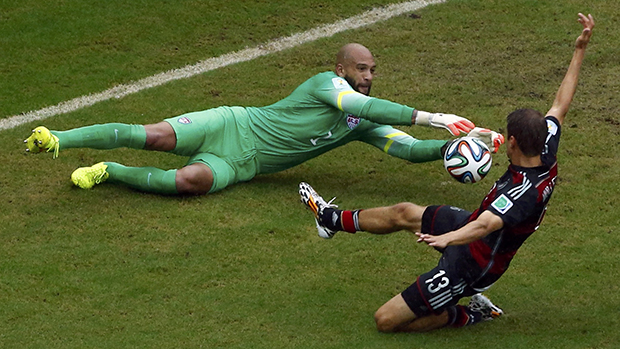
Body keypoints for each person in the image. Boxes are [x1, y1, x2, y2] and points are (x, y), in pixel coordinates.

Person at [298, 14, 594, 332]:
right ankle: (329, 220)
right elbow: (560, 105)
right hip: (470, 230)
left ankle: (472, 312)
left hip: (474, 263)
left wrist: (447, 238)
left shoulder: (522, 194)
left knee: (386, 321)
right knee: (404, 213)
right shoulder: (545, 148)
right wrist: (579, 50)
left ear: (513, 143)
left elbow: (485, 225)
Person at [24, 43, 503, 196]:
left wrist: (457, 147)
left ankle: (110, 172)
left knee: (189, 182)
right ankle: (58, 138)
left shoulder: (365, 124)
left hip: (246, 164)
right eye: (361, 68)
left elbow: (405, 149)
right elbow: (358, 107)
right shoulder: (327, 86)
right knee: (151, 136)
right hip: (232, 124)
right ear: (341, 69)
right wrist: (435, 116)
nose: (368, 76)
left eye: (374, 70)